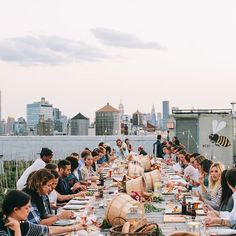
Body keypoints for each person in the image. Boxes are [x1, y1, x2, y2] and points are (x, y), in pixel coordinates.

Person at [0, 190, 85, 235]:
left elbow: (47, 230)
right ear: (15, 209)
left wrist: (75, 227)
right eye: (26, 208)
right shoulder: (2, 227)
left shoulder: (23, 224)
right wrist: (17, 227)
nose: (29, 211)